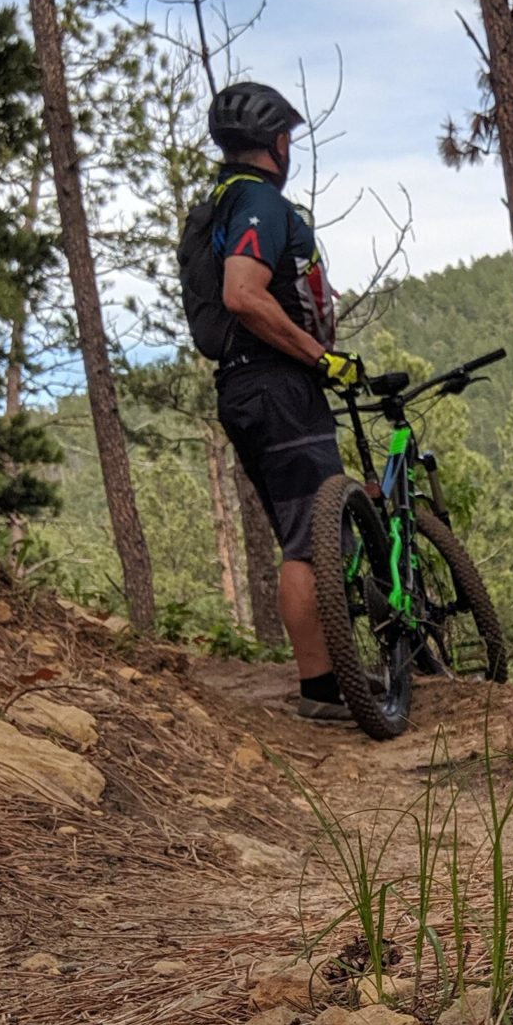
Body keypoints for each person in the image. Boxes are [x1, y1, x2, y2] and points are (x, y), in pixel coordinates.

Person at [197, 81, 366, 721]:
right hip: (276, 384)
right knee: (310, 540)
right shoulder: (261, 203)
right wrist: (320, 358)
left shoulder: (221, 202)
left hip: (245, 386)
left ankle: (326, 679)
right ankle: (322, 690)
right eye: (287, 137)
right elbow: (244, 292)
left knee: (304, 531)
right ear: (276, 142)